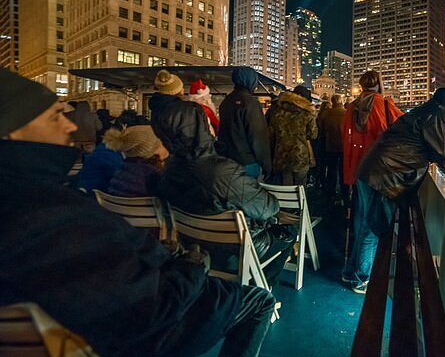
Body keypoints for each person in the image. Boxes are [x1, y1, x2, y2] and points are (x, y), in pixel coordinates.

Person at [0, 68, 275, 357]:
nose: (70, 126)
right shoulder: (44, 213)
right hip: (161, 319)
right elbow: (148, 307)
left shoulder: (166, 173)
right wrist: (190, 266)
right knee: (259, 297)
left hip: (161, 270)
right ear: (13, 129)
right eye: (55, 115)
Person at [156, 91, 294, 288]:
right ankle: (262, 289)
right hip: (232, 251)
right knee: (288, 232)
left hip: (191, 247)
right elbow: (268, 208)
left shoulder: (168, 169)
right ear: (201, 128)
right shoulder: (220, 172)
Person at [348, 88, 445, 294]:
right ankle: (362, 278)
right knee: (374, 227)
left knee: (364, 224)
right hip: (385, 176)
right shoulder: (436, 115)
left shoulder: (420, 111)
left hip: (371, 170)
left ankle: (351, 271)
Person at [341, 70, 403, 288]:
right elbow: (404, 127)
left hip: (358, 171)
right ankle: (361, 277)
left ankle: (350, 270)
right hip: (378, 171)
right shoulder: (385, 105)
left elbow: (346, 141)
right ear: (379, 83)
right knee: (373, 223)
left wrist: (349, 173)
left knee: (361, 220)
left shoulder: (351, 107)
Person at [217, 67, 272, 180]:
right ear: (251, 81)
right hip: (247, 163)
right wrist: (266, 164)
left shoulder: (226, 101)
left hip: (227, 160)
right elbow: (258, 137)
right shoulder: (251, 103)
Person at [268, 85, 318, 186]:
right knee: (300, 188)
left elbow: (271, 134)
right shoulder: (307, 113)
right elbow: (313, 135)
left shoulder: (277, 111)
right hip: (300, 157)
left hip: (281, 156)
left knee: (286, 188)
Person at [104, 125, 168, 197]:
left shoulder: (122, 169)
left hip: (117, 207)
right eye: (162, 143)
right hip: (147, 207)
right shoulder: (155, 175)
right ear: (152, 150)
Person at [318, 94, 349, 206]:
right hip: (344, 146)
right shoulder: (346, 113)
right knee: (343, 170)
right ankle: (344, 191)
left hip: (330, 145)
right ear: (341, 101)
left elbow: (320, 129)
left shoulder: (326, 114)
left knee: (331, 169)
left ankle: (330, 191)